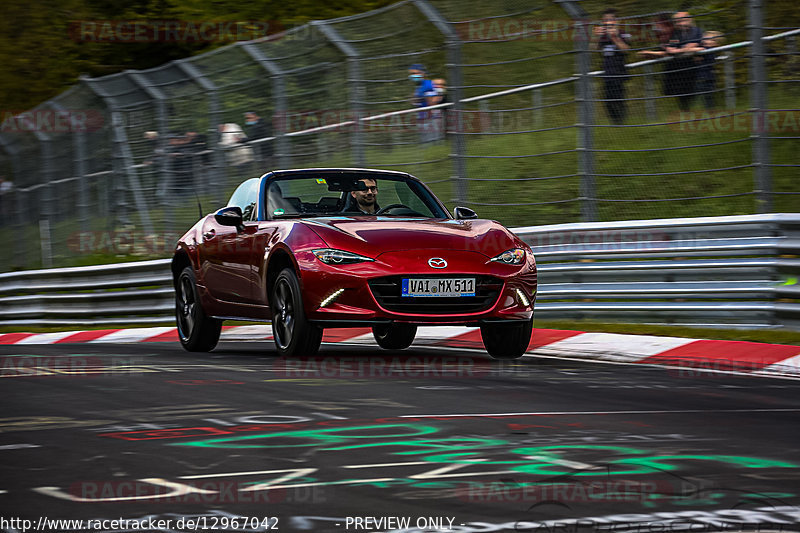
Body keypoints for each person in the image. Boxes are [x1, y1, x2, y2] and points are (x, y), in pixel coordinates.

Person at [594, 8, 632, 124]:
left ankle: (621, 122)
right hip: (607, 73)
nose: (608, 22)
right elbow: (593, 50)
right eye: (605, 20)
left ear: (616, 21)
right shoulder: (602, 36)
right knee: (607, 100)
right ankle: (615, 122)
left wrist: (615, 38)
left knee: (618, 99)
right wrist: (595, 37)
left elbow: (627, 50)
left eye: (610, 20)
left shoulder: (623, 33)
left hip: (619, 72)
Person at [664, 11, 704, 111]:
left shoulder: (696, 31)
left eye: (682, 21)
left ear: (689, 20)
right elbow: (670, 49)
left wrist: (679, 50)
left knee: (693, 90)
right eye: (677, 22)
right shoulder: (675, 33)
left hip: (692, 66)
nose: (679, 24)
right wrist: (684, 50)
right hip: (680, 68)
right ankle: (685, 110)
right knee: (681, 93)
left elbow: (693, 45)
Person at [408, 64, 438, 142]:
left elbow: (432, 103)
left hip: (430, 119)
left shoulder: (428, 85)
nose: (413, 76)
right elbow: (415, 102)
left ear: (422, 73)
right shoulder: (419, 86)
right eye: (411, 74)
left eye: (415, 73)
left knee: (431, 142)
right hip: (421, 118)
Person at [697, 31, 723, 109]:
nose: (707, 41)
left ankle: (710, 111)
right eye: (706, 39)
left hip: (707, 77)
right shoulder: (704, 49)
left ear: (716, 44)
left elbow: (700, 50)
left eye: (712, 40)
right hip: (701, 77)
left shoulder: (710, 50)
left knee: (708, 97)